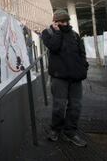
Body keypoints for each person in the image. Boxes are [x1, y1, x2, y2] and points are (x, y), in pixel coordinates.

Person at [41, 10, 89, 147]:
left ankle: (70, 132)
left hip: (75, 77)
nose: (65, 23)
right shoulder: (47, 33)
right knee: (59, 106)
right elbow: (54, 47)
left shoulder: (74, 35)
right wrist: (57, 32)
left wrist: (84, 67)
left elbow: (82, 53)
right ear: (55, 22)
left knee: (76, 106)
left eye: (66, 21)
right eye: (61, 21)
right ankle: (55, 129)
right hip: (59, 77)